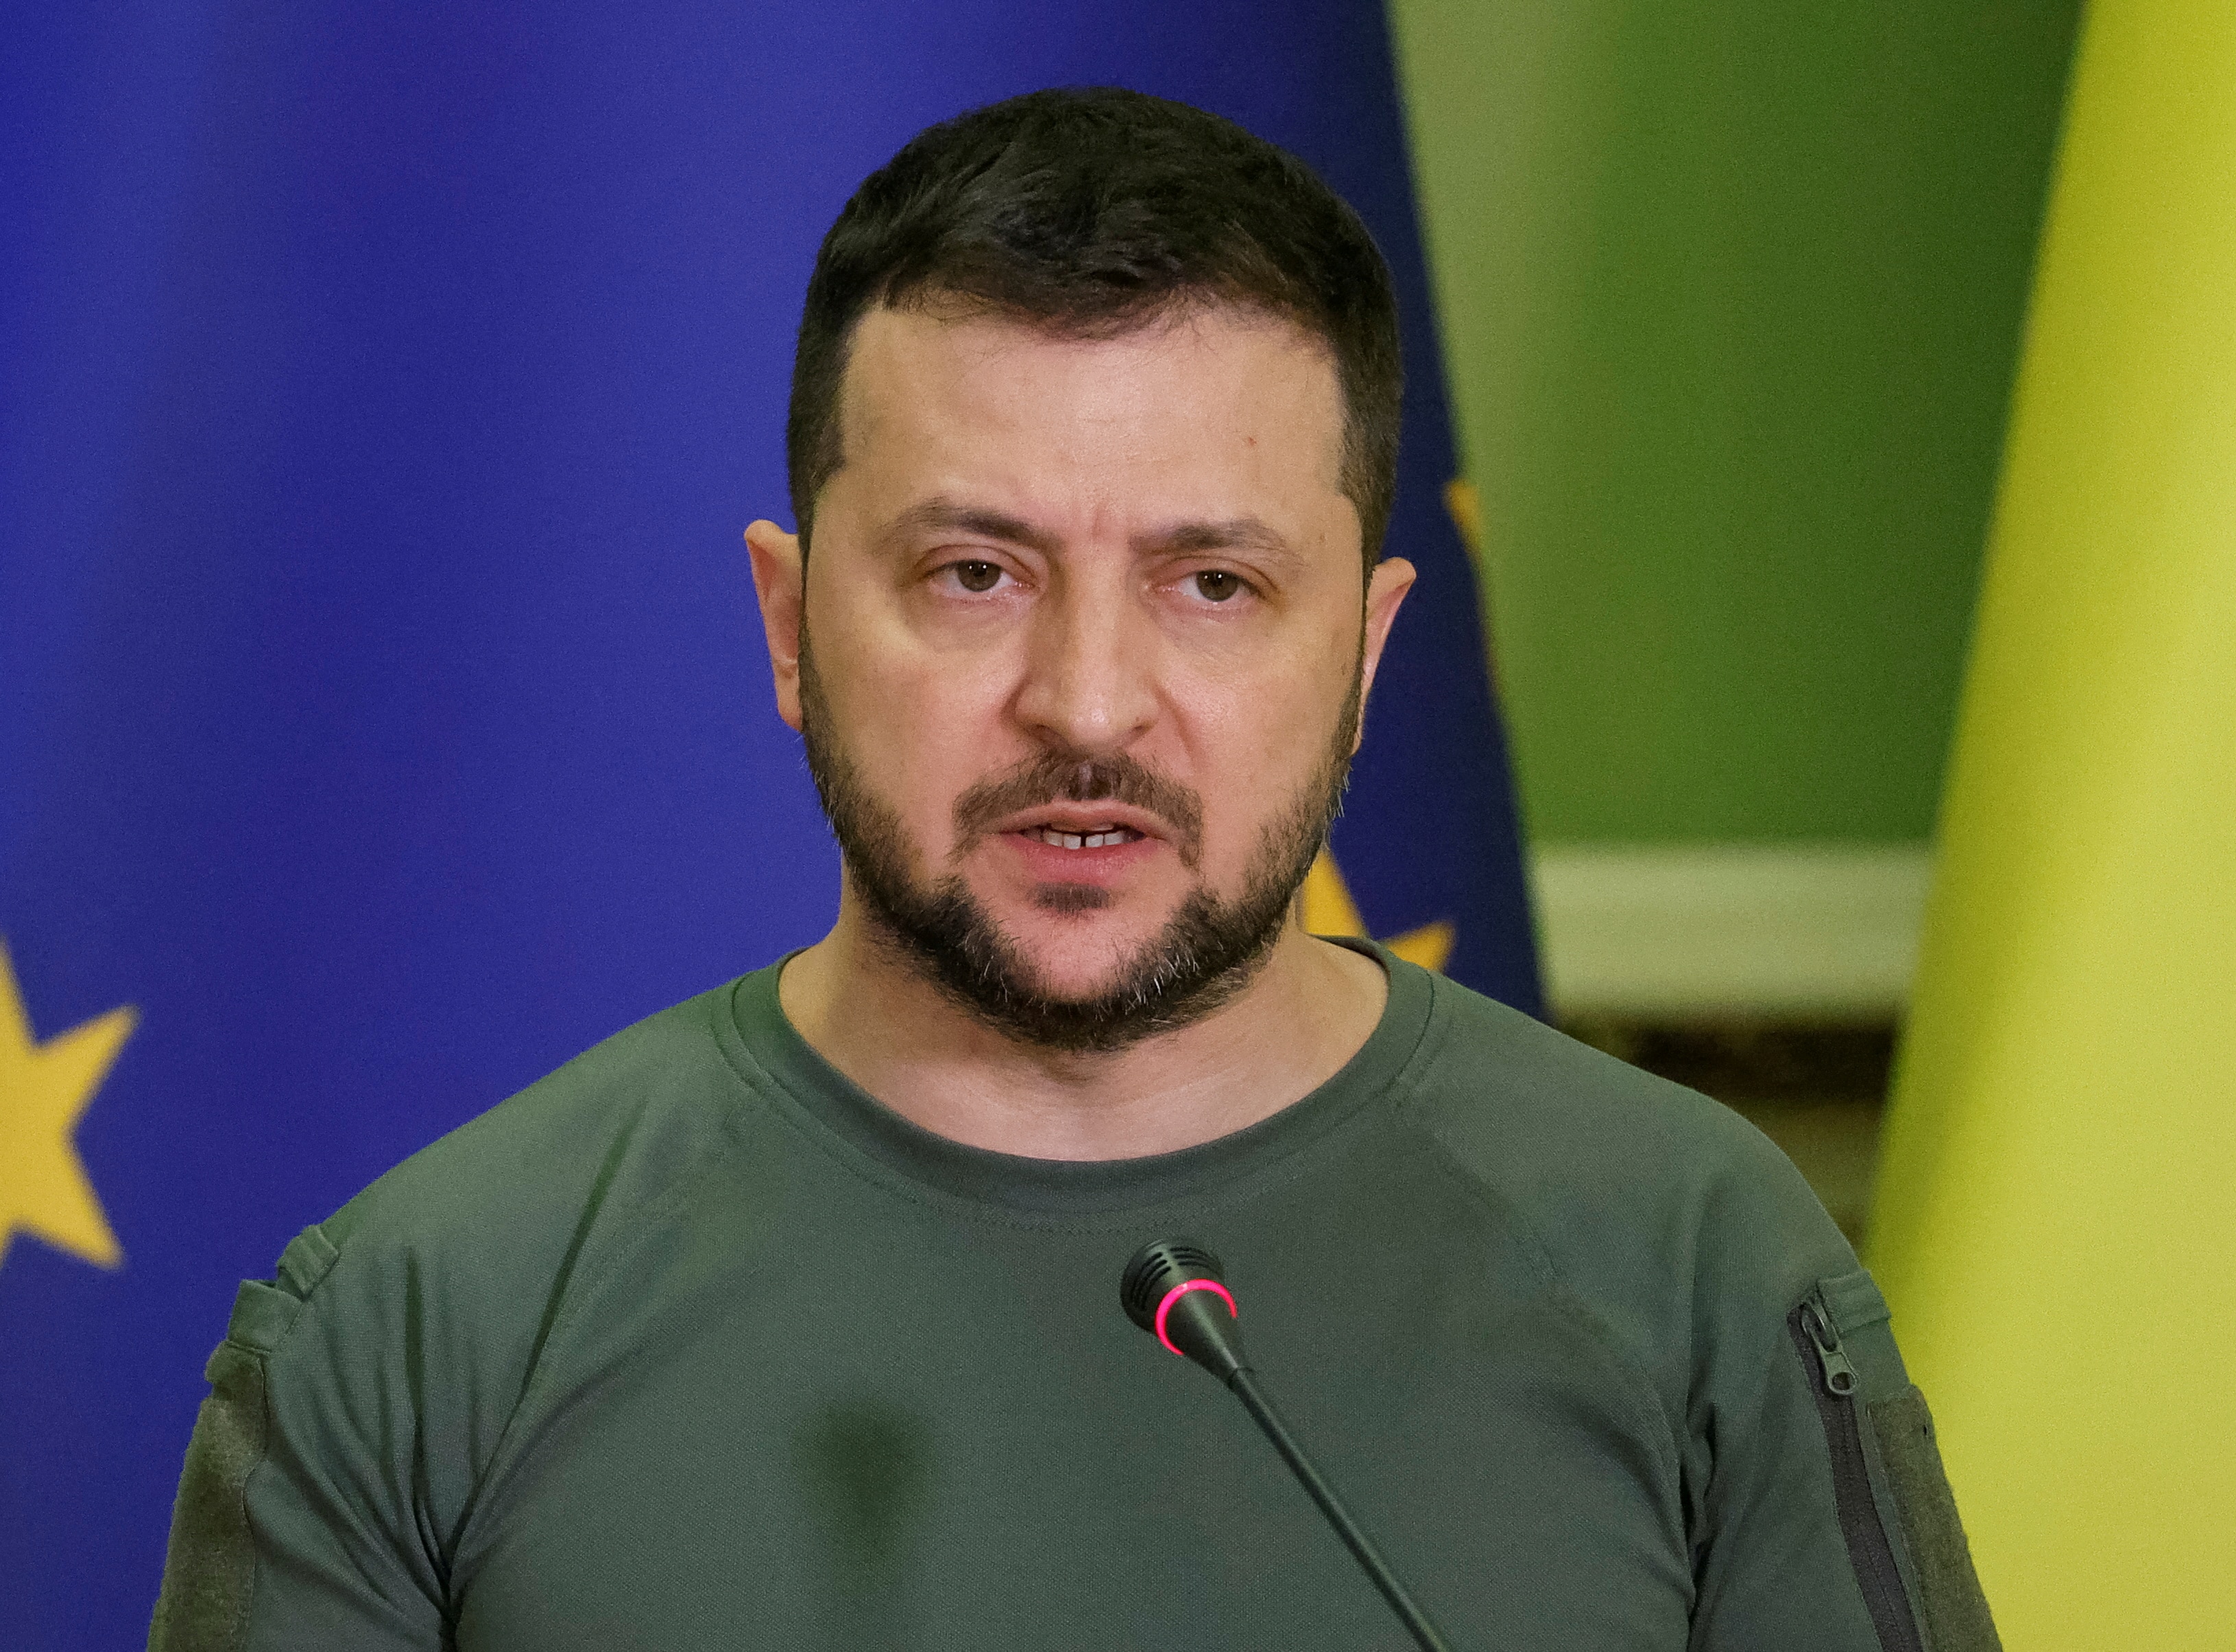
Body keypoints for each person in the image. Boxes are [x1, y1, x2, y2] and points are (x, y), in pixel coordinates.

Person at [149, 87, 1997, 1651]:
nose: (1085, 702)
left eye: (1213, 583)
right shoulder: (410, 1334)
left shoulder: (1692, 1268)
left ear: (1361, 653)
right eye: (972, 574)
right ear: (791, 623)